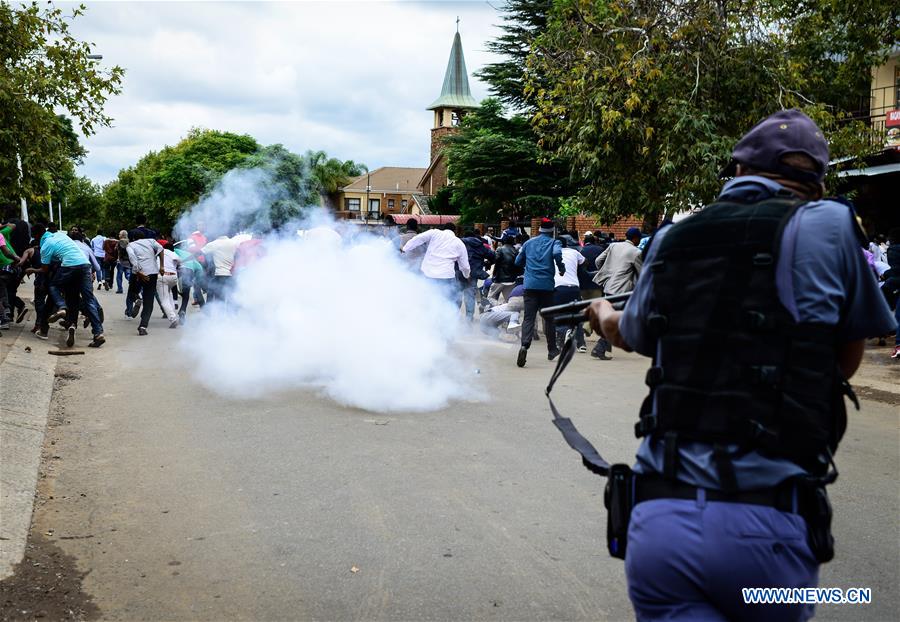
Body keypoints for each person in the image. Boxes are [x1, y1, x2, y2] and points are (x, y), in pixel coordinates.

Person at [587, 109, 895, 621]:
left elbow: (632, 334)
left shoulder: (669, 238)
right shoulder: (828, 224)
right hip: (766, 534)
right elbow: (846, 352)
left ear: (737, 170)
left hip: (659, 524)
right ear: (815, 180)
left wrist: (602, 313)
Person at [26, 229, 105, 347]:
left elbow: (45, 269)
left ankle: (61, 308)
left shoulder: (46, 245)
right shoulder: (62, 237)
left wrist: (32, 270)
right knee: (88, 300)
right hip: (84, 266)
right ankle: (98, 333)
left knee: (53, 287)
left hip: (68, 268)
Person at [514, 217, 565, 367]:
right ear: (552, 230)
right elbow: (556, 254)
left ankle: (524, 345)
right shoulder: (555, 242)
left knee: (529, 318)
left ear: (539, 229)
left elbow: (517, 261)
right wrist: (561, 268)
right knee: (548, 318)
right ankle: (552, 350)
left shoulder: (528, 243)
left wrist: (528, 266)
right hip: (546, 287)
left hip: (529, 286)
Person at [592, 226, 643, 360]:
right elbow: (642, 273)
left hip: (608, 287)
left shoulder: (613, 246)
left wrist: (607, 272)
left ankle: (604, 346)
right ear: (636, 238)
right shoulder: (636, 252)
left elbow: (598, 261)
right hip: (622, 291)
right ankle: (600, 348)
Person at [401, 222, 470, 300]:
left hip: (428, 274)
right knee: (446, 302)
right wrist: (466, 275)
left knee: (427, 300)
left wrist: (405, 248)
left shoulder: (435, 232)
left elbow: (419, 238)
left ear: (443, 229)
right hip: (446, 277)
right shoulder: (459, 243)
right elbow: (465, 266)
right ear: (455, 231)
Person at [553, 235, 587, 352]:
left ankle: (560, 342)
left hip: (558, 288)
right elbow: (584, 262)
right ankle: (581, 344)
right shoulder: (574, 252)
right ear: (567, 244)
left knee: (559, 314)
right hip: (574, 287)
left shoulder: (552, 254)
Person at [126, 232, 163, 335]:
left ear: (133, 238)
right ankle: (143, 326)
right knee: (149, 300)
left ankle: (137, 299)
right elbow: (161, 249)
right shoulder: (151, 241)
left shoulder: (131, 245)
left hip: (138, 273)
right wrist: (162, 266)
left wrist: (138, 272)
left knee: (132, 292)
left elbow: (132, 258)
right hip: (152, 273)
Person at [460, 229, 495, 320]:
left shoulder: (459, 243)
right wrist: (487, 263)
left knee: (456, 295)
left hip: (459, 273)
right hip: (473, 274)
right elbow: (493, 256)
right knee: (470, 296)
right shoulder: (479, 245)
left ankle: (454, 319)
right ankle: (469, 319)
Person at [201, 234, 240, 303]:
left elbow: (200, 252)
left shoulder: (214, 243)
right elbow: (238, 256)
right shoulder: (234, 243)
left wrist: (184, 260)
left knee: (217, 298)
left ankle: (209, 311)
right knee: (230, 299)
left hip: (220, 275)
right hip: (231, 276)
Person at [487, 234, 522, 305]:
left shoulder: (500, 249)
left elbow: (495, 259)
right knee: (509, 301)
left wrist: (488, 263)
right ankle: (509, 313)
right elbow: (519, 264)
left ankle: (499, 307)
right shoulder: (516, 251)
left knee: (490, 298)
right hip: (511, 280)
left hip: (500, 279)